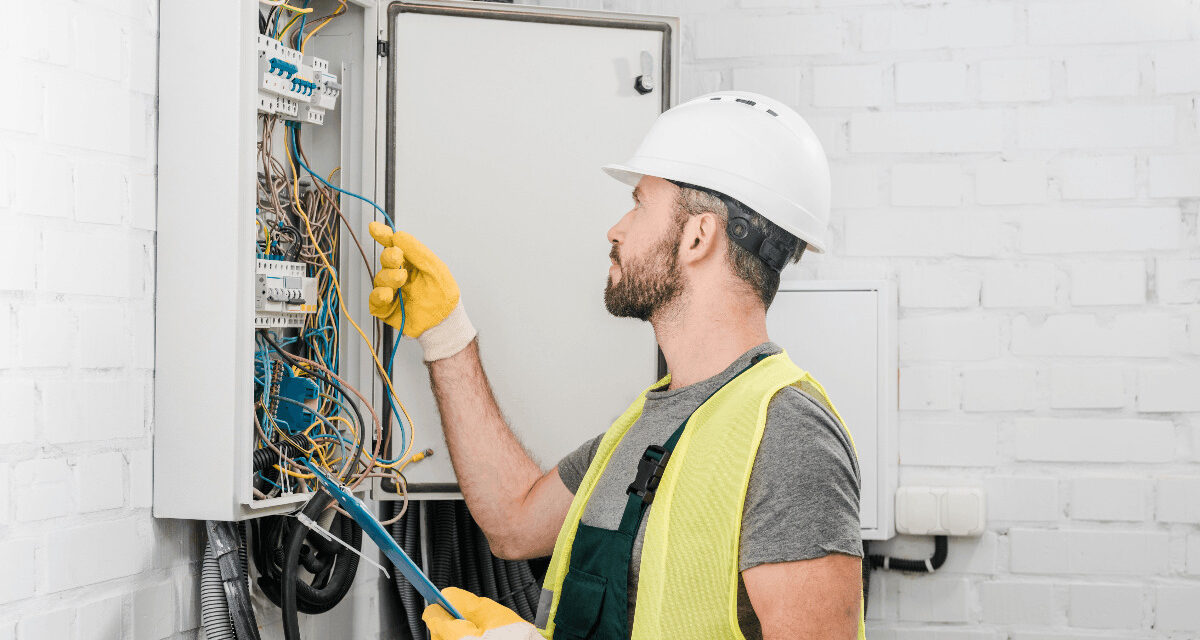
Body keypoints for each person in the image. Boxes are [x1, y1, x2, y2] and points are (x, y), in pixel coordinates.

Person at [366, 91, 865, 640]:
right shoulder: (649, 422)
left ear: (699, 236)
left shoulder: (789, 434)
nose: (616, 229)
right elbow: (514, 522)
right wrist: (447, 333)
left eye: (640, 204)